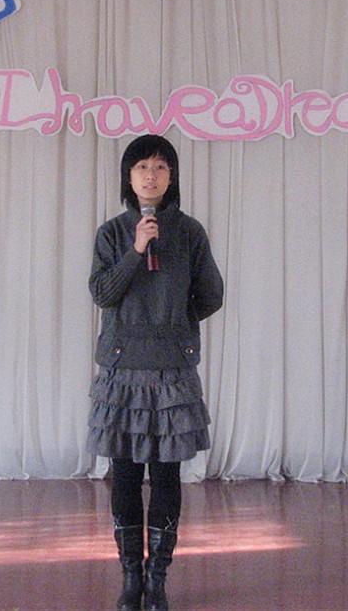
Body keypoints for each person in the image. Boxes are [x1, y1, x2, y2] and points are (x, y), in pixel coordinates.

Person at [87, 134, 224, 611]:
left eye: (161, 167)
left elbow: (211, 295)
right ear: (128, 177)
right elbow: (102, 293)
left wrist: (175, 324)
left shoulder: (189, 232)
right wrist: (136, 250)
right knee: (125, 476)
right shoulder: (112, 233)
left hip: (171, 373)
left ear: (172, 177)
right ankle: (130, 577)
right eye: (142, 167)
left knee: (166, 477)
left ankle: (157, 579)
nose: (151, 175)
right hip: (123, 370)